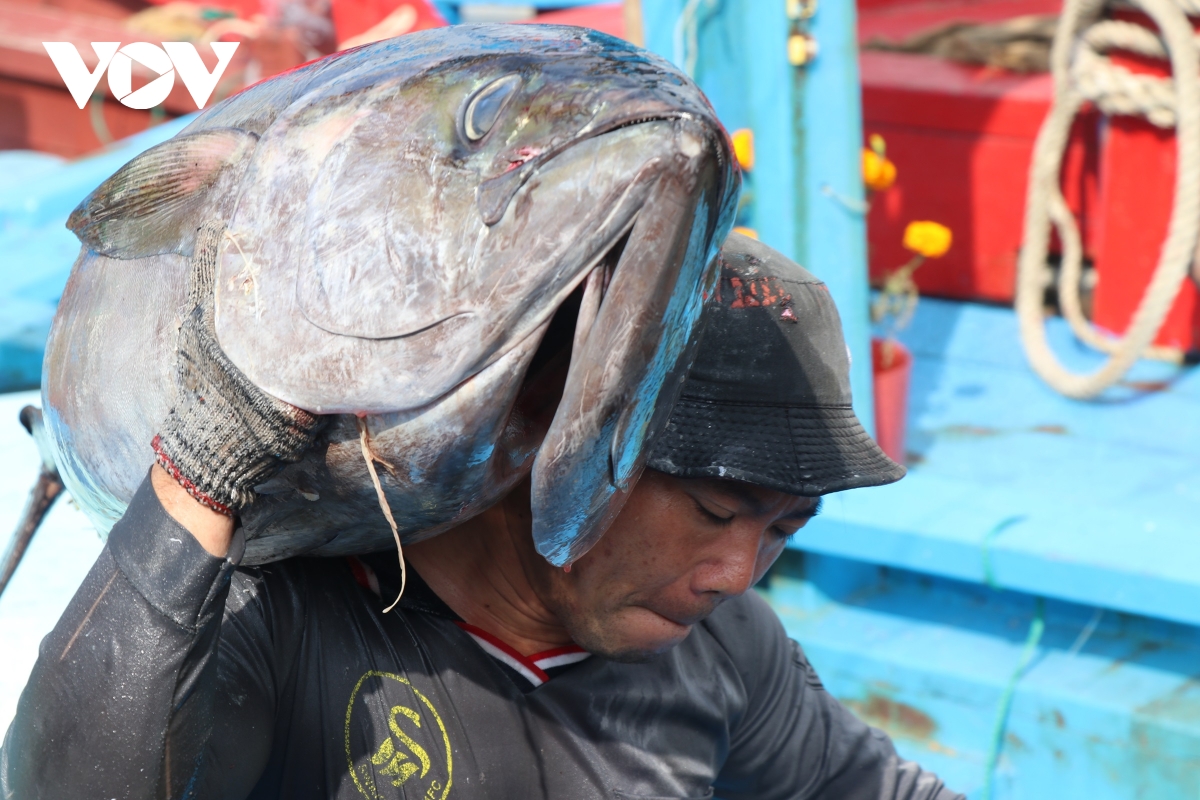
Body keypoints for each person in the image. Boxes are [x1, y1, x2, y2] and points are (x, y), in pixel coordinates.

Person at [1, 232, 962, 800]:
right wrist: (201, 480)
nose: (738, 573)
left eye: (784, 530)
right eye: (715, 510)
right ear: (552, 436)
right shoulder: (286, 621)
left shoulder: (724, 651)